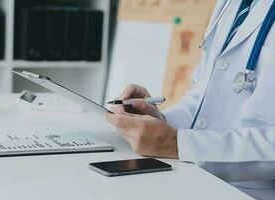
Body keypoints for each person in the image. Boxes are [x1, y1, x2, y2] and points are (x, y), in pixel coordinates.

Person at [106, 0, 275, 199]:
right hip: (193, 177)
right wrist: (162, 123)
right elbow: (203, 91)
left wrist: (175, 144)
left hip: (248, 191)